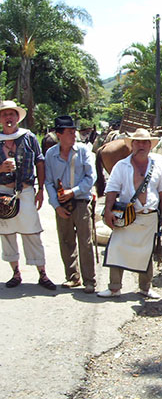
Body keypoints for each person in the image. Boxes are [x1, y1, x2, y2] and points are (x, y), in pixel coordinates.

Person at [97, 128, 162, 299]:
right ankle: (114, 287)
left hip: (149, 216)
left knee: (146, 252)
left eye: (145, 142)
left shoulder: (157, 165)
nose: (141, 145)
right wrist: (108, 211)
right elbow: (112, 190)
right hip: (128, 216)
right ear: (132, 144)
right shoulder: (121, 166)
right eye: (137, 142)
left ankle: (145, 287)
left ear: (150, 145)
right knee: (117, 248)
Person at [0, 100, 55, 290]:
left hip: (25, 190)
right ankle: (15, 273)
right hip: (3, 192)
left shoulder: (28, 137)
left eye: (12, 114)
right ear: (0, 118)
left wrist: (40, 190)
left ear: (17, 117)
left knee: (32, 231)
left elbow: (40, 162)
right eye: (5, 115)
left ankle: (42, 273)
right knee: (7, 233)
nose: (8, 118)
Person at [45, 115, 97, 293]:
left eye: (74, 131)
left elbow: (91, 177)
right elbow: (49, 182)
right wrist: (56, 205)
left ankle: (90, 280)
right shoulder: (51, 155)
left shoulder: (83, 151)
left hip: (81, 201)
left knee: (85, 241)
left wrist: (72, 192)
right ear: (59, 134)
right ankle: (72, 277)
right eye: (69, 132)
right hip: (62, 204)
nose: (74, 134)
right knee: (66, 240)